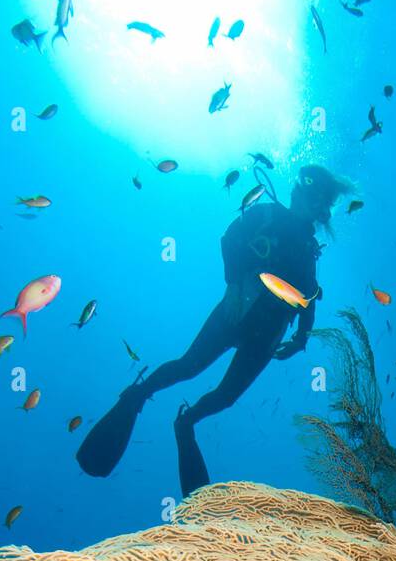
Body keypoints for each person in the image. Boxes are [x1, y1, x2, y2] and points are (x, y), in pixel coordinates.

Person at [76, 165, 353, 495]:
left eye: (321, 203)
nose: (316, 207)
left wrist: (301, 338)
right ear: (297, 194)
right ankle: (138, 394)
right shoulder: (266, 214)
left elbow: (309, 298)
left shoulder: (309, 251)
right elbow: (229, 238)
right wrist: (234, 283)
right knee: (189, 366)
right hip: (237, 310)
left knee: (226, 396)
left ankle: (186, 423)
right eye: (312, 197)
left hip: (267, 335)